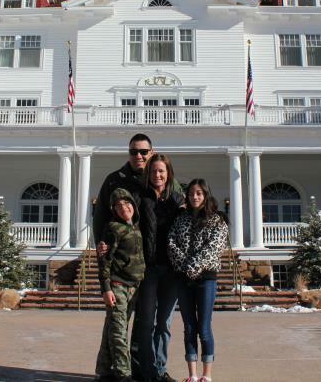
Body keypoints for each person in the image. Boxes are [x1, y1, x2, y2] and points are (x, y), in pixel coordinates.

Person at [167, 178, 229, 382]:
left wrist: (192, 267)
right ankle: (192, 375)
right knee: (189, 328)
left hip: (206, 279)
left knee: (204, 327)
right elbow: (171, 243)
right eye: (192, 193)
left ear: (206, 195)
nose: (195, 197)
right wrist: (185, 267)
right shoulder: (180, 219)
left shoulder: (217, 220)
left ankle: (206, 375)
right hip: (183, 279)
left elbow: (214, 248)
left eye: (199, 193)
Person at [133, 154, 185, 382]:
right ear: (148, 173)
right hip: (148, 268)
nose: (158, 175)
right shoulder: (140, 199)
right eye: (154, 171)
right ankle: (147, 371)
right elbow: (125, 224)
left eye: (162, 171)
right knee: (146, 322)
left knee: (164, 322)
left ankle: (160, 370)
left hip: (171, 269)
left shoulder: (177, 200)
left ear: (168, 173)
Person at [94, 188, 146, 382]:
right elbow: (105, 261)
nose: (124, 208)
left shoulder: (136, 227)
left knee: (113, 327)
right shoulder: (113, 229)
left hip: (133, 285)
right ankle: (123, 374)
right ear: (114, 209)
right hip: (117, 285)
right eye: (119, 205)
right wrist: (106, 288)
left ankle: (104, 371)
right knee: (118, 330)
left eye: (127, 203)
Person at [93, 133, 155, 245]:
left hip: (157, 253)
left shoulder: (161, 180)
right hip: (125, 255)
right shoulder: (113, 181)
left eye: (144, 152)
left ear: (152, 153)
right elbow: (100, 218)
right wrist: (102, 251)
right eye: (134, 152)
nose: (138, 156)